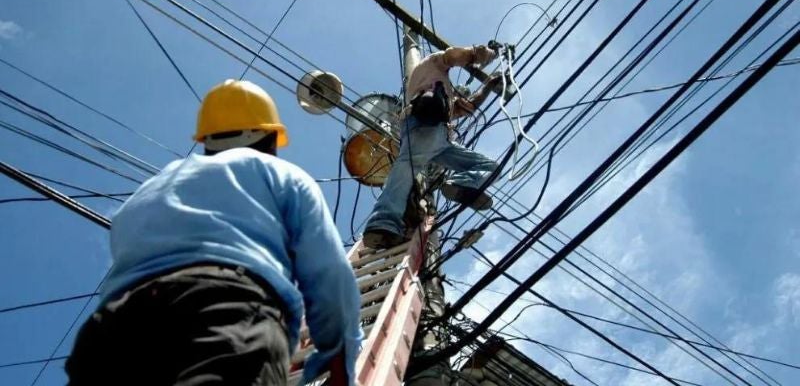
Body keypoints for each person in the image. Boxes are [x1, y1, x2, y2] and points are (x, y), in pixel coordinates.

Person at [65, 80, 362, 386]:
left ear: (207, 139)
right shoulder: (282, 175)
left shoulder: (151, 188)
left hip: (112, 327)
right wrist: (340, 352)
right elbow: (329, 275)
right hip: (225, 308)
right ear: (269, 136)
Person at [362, 44, 502, 249]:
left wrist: (489, 85)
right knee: (408, 166)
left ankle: (460, 184)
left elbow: (468, 107)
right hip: (423, 124)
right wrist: (478, 54)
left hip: (442, 140)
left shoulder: (445, 96)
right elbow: (452, 55)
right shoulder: (429, 67)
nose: (460, 93)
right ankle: (383, 222)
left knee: (492, 168)